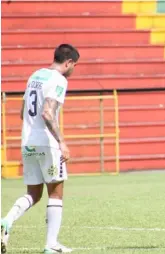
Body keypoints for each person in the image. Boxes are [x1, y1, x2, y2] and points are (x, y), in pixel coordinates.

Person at [1, 44, 80, 254]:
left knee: (33, 194)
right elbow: (47, 112)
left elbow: (21, 112)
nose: (73, 70)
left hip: (28, 142)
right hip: (47, 144)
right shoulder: (59, 80)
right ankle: (51, 245)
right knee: (55, 193)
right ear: (69, 62)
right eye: (74, 65)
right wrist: (62, 142)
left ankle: (6, 220)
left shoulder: (35, 75)